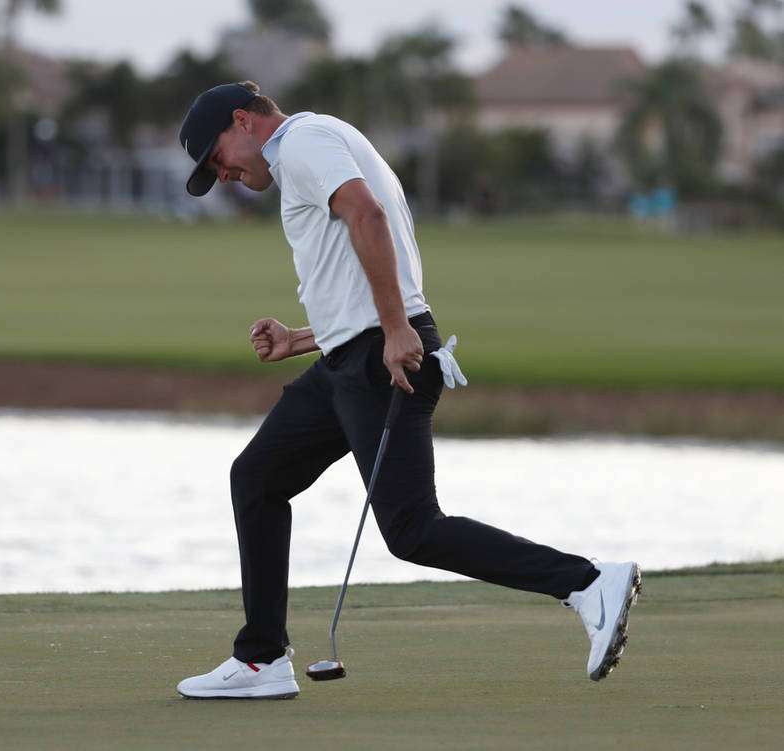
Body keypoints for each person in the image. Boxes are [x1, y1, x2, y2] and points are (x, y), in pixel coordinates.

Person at [174, 81, 640, 700]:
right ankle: (261, 660)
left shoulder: (304, 141)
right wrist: (302, 338)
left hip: (379, 358)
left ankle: (587, 582)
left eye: (217, 157)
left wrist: (395, 328)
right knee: (256, 476)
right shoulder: (313, 146)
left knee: (413, 529)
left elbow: (367, 217)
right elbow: (358, 267)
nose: (223, 173)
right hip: (352, 356)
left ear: (244, 121)